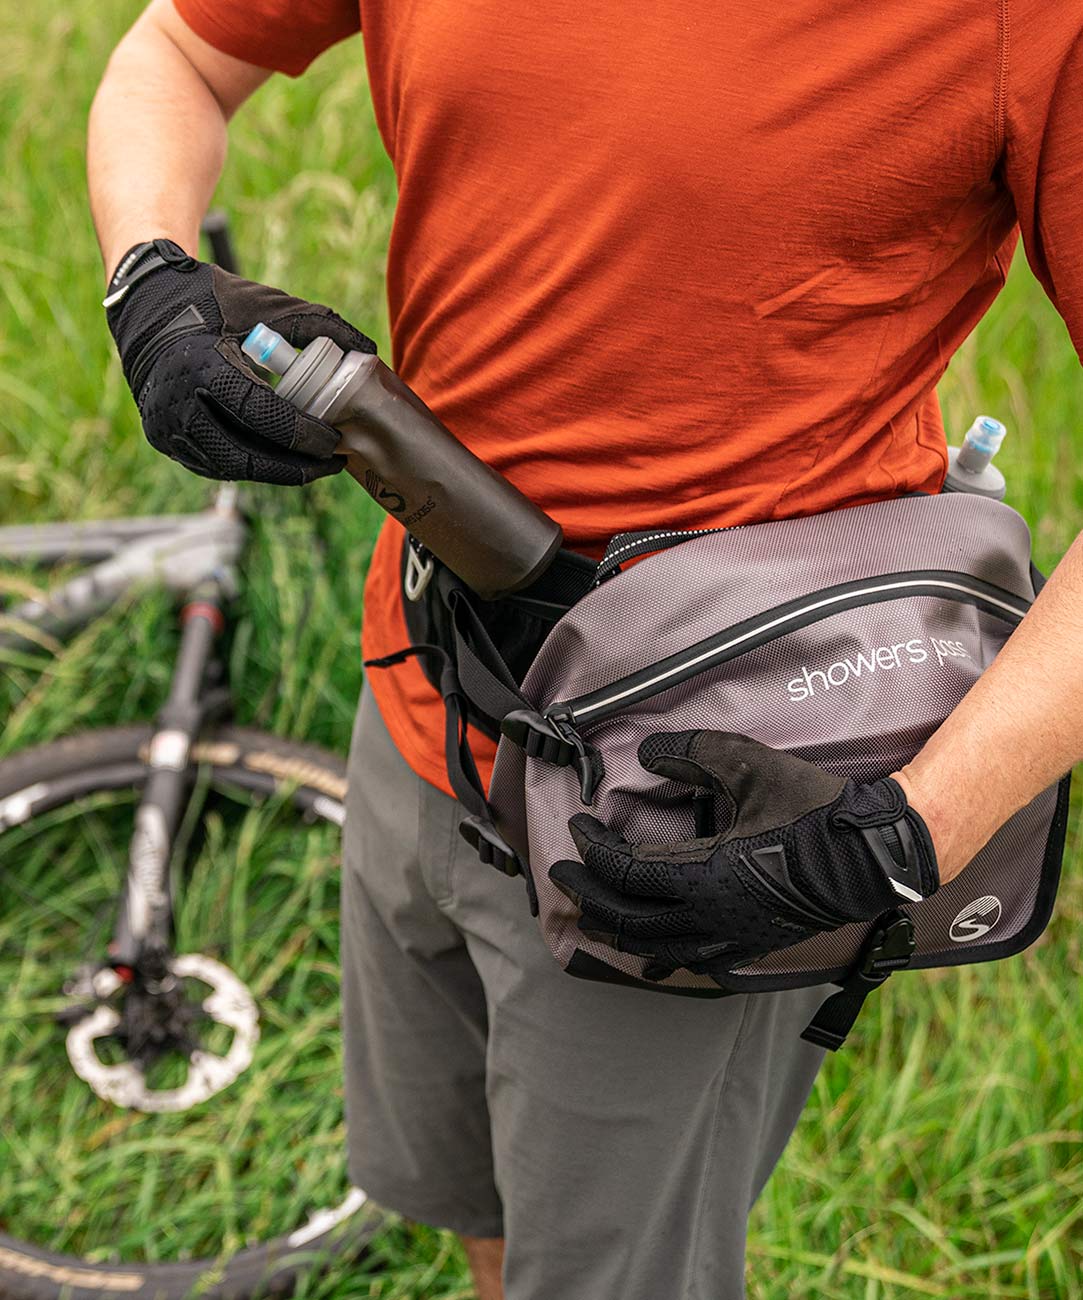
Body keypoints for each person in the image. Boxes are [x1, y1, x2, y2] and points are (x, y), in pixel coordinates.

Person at [87, 1, 1083, 1295]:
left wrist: (903, 834)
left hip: (691, 818)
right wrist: (150, 288)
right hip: (416, 699)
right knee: (478, 1213)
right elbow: (175, 56)